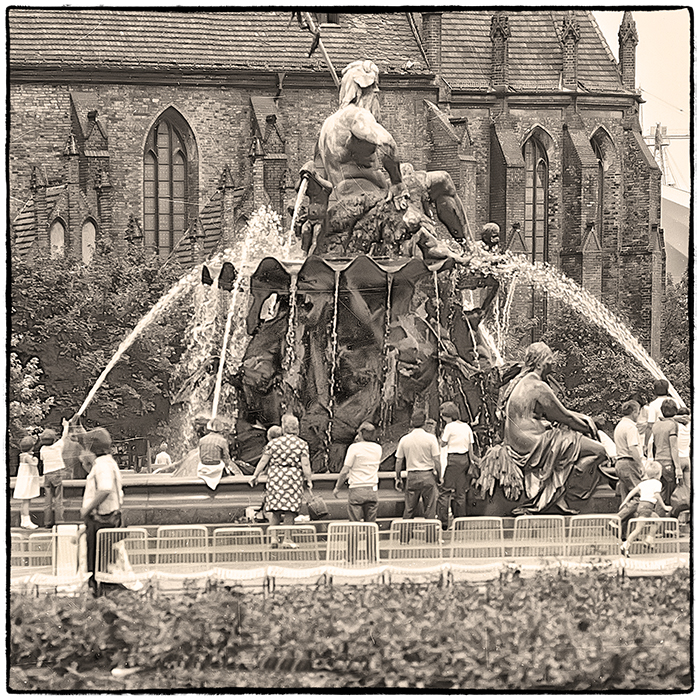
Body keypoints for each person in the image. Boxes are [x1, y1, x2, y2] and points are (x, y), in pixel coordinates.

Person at [494, 342, 609, 515]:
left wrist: (584, 418)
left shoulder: (522, 382)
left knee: (573, 440)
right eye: (549, 358)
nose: (553, 362)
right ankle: (566, 492)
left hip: (521, 440)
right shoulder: (538, 387)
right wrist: (588, 425)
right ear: (539, 363)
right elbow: (565, 417)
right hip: (534, 442)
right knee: (598, 451)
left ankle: (562, 486)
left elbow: (558, 412)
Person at [249, 414, 314, 547]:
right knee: (290, 510)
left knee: (275, 509)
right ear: (297, 428)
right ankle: (287, 539)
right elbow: (305, 464)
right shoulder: (302, 444)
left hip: (275, 477)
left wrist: (255, 475)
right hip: (293, 477)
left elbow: (263, 460)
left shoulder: (273, 443)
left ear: (283, 427)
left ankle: (273, 539)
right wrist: (309, 480)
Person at [79, 428, 124, 592]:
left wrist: (87, 509)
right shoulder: (106, 463)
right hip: (108, 518)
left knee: (97, 564)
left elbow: (105, 489)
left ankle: (99, 595)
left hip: (101, 520)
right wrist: (86, 464)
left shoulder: (102, 465)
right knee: (104, 563)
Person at [436, 401, 476, 531]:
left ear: (448, 416)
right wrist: (471, 463)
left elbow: (443, 444)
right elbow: (470, 447)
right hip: (464, 460)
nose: (442, 419)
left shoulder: (449, 427)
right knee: (460, 493)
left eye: (443, 416)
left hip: (453, 460)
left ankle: (443, 523)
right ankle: (460, 523)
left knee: (444, 491)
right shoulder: (466, 427)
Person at [394, 410, 441, 520]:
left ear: (411, 422)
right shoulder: (431, 439)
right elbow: (437, 460)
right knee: (430, 509)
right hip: (428, 476)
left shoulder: (404, 439)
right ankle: (430, 537)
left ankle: (405, 536)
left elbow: (398, 461)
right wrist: (439, 476)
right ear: (425, 423)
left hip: (412, 476)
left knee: (409, 509)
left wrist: (398, 478)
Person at [619, 461, 671, 556]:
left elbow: (632, 492)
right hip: (647, 507)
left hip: (642, 507)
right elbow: (657, 495)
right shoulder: (657, 483)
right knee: (638, 529)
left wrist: (625, 501)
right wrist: (664, 506)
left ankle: (649, 539)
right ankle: (625, 545)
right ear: (658, 474)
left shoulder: (644, 483)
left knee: (658, 521)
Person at [333, 422, 382, 522]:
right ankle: (371, 537)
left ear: (360, 434)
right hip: (372, 490)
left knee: (354, 524)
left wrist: (337, 487)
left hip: (356, 489)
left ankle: (355, 537)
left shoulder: (354, 448)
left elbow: (345, 471)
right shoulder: (378, 448)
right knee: (371, 525)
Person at [39, 418, 72, 529]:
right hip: (57, 473)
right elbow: (64, 436)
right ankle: (59, 521)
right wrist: (65, 425)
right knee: (58, 498)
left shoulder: (42, 449)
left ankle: (47, 522)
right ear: (53, 439)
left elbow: (42, 459)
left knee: (47, 500)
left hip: (47, 475)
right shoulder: (57, 446)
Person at [650, 399, 682, 505]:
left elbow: (653, 446)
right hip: (668, 461)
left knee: (660, 492)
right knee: (670, 495)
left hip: (658, 461)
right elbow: (673, 447)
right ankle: (668, 518)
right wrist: (678, 467)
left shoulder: (656, 425)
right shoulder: (673, 425)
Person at [197, 418, 241, 490]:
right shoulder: (222, 441)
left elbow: (201, 456)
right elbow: (226, 458)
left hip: (203, 468)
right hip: (216, 469)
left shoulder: (202, 440)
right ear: (221, 429)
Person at [14, 435, 40, 529]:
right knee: (26, 502)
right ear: (31, 447)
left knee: (25, 501)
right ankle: (26, 521)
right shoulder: (27, 457)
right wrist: (35, 459)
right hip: (27, 481)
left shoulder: (22, 455)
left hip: (25, 480)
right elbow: (33, 464)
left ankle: (24, 520)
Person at [646, 379, 679, 448]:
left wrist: (645, 444)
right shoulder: (674, 401)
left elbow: (650, 425)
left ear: (654, 390)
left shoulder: (653, 404)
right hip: (674, 433)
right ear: (667, 389)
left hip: (658, 437)